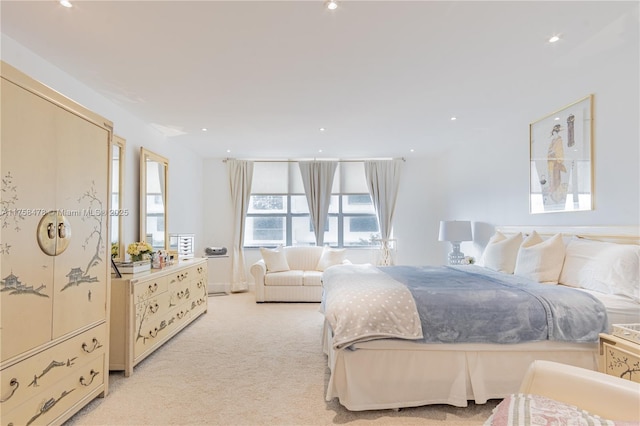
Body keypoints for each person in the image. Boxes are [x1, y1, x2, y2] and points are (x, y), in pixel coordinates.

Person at [547, 124, 567, 205]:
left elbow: (559, 151)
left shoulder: (559, 140)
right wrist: (550, 152)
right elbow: (550, 150)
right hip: (551, 163)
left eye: (555, 132)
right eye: (553, 133)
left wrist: (553, 153)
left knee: (556, 178)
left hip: (555, 163)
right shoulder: (553, 141)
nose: (554, 134)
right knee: (551, 178)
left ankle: (557, 192)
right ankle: (553, 191)